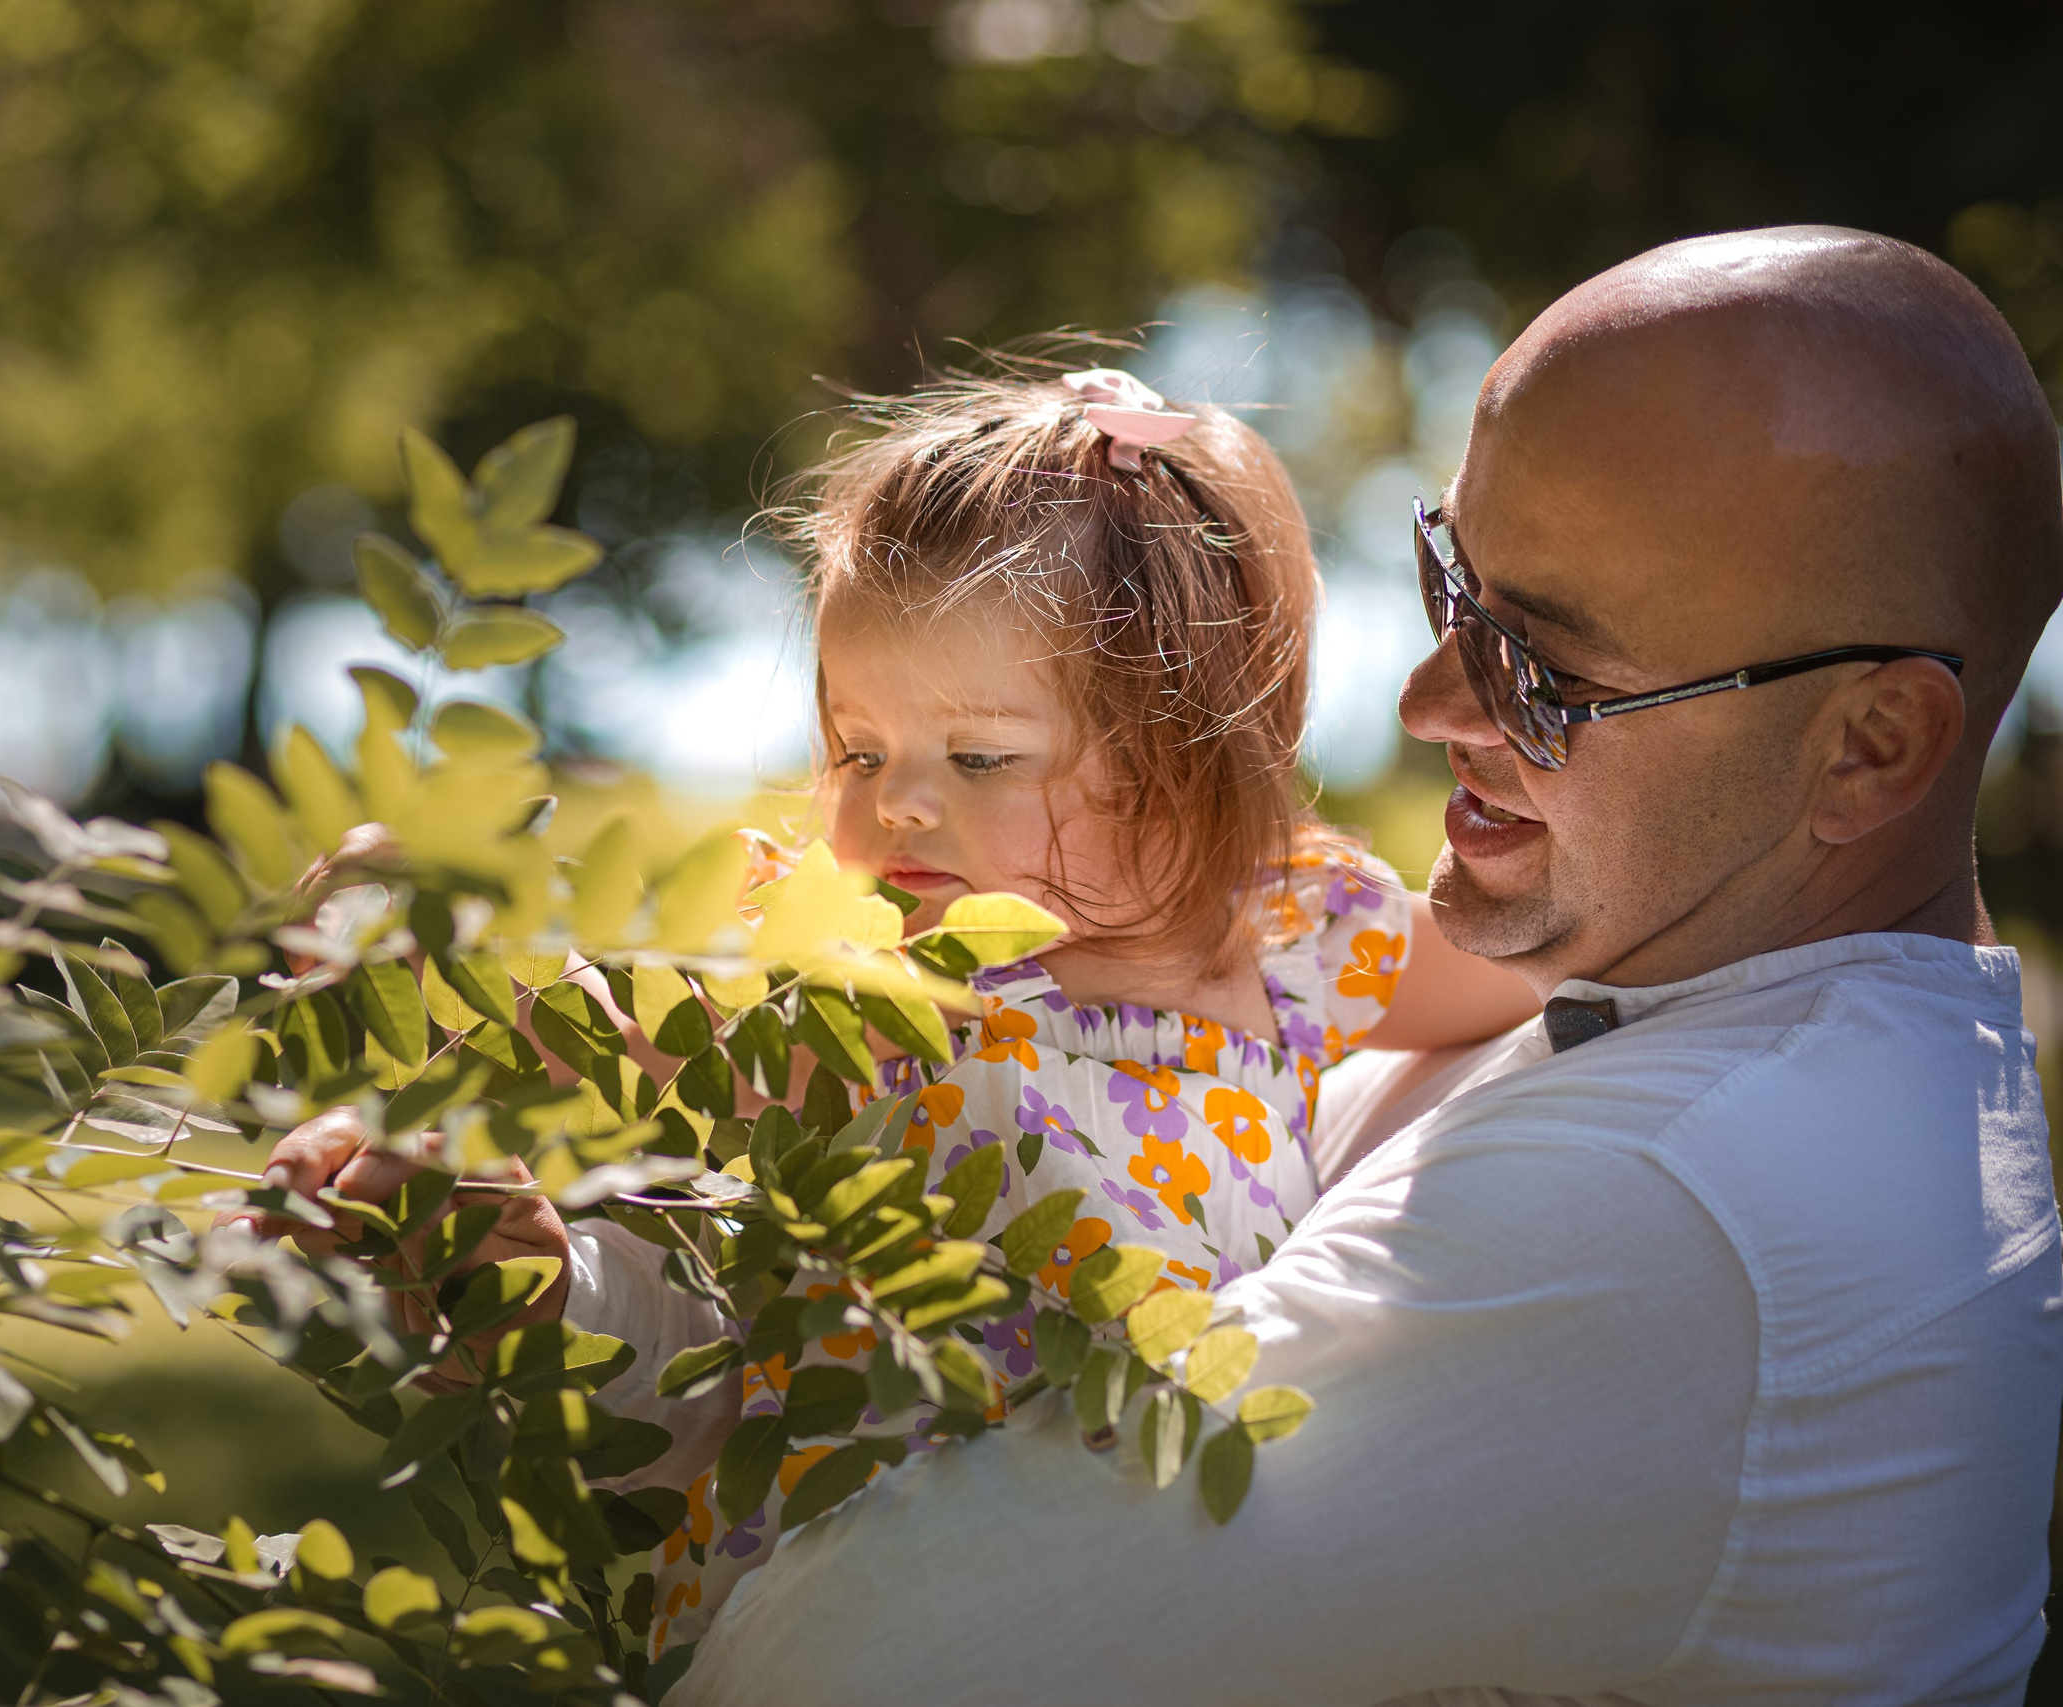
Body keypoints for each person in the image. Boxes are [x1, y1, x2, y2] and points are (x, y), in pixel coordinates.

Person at [648, 228, 2063, 1703]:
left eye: (1547, 670)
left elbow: (849, 1658)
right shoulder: (1702, 1017)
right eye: (1453, 581)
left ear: (1870, 745)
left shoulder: (1688, 1204)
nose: (1428, 693)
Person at [254, 365, 1531, 1649]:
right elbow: (616, 1010)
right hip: (832, 1616)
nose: (897, 804)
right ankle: (489, 1267)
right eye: (858, 749)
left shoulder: (1295, 930)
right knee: (609, 1279)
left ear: (1190, 749)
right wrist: (465, 930)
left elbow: (1536, 966)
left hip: (1136, 1609)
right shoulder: (835, 954)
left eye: (977, 756)